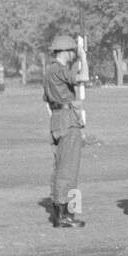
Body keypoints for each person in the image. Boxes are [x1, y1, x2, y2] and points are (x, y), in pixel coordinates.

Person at [43, 35, 86, 228]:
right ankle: (64, 215)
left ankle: (60, 211)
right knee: (68, 169)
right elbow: (83, 77)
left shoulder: (49, 71)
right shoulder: (59, 70)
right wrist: (83, 57)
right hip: (67, 120)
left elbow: (47, 100)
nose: (73, 55)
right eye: (72, 52)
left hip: (57, 119)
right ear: (65, 52)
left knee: (60, 167)